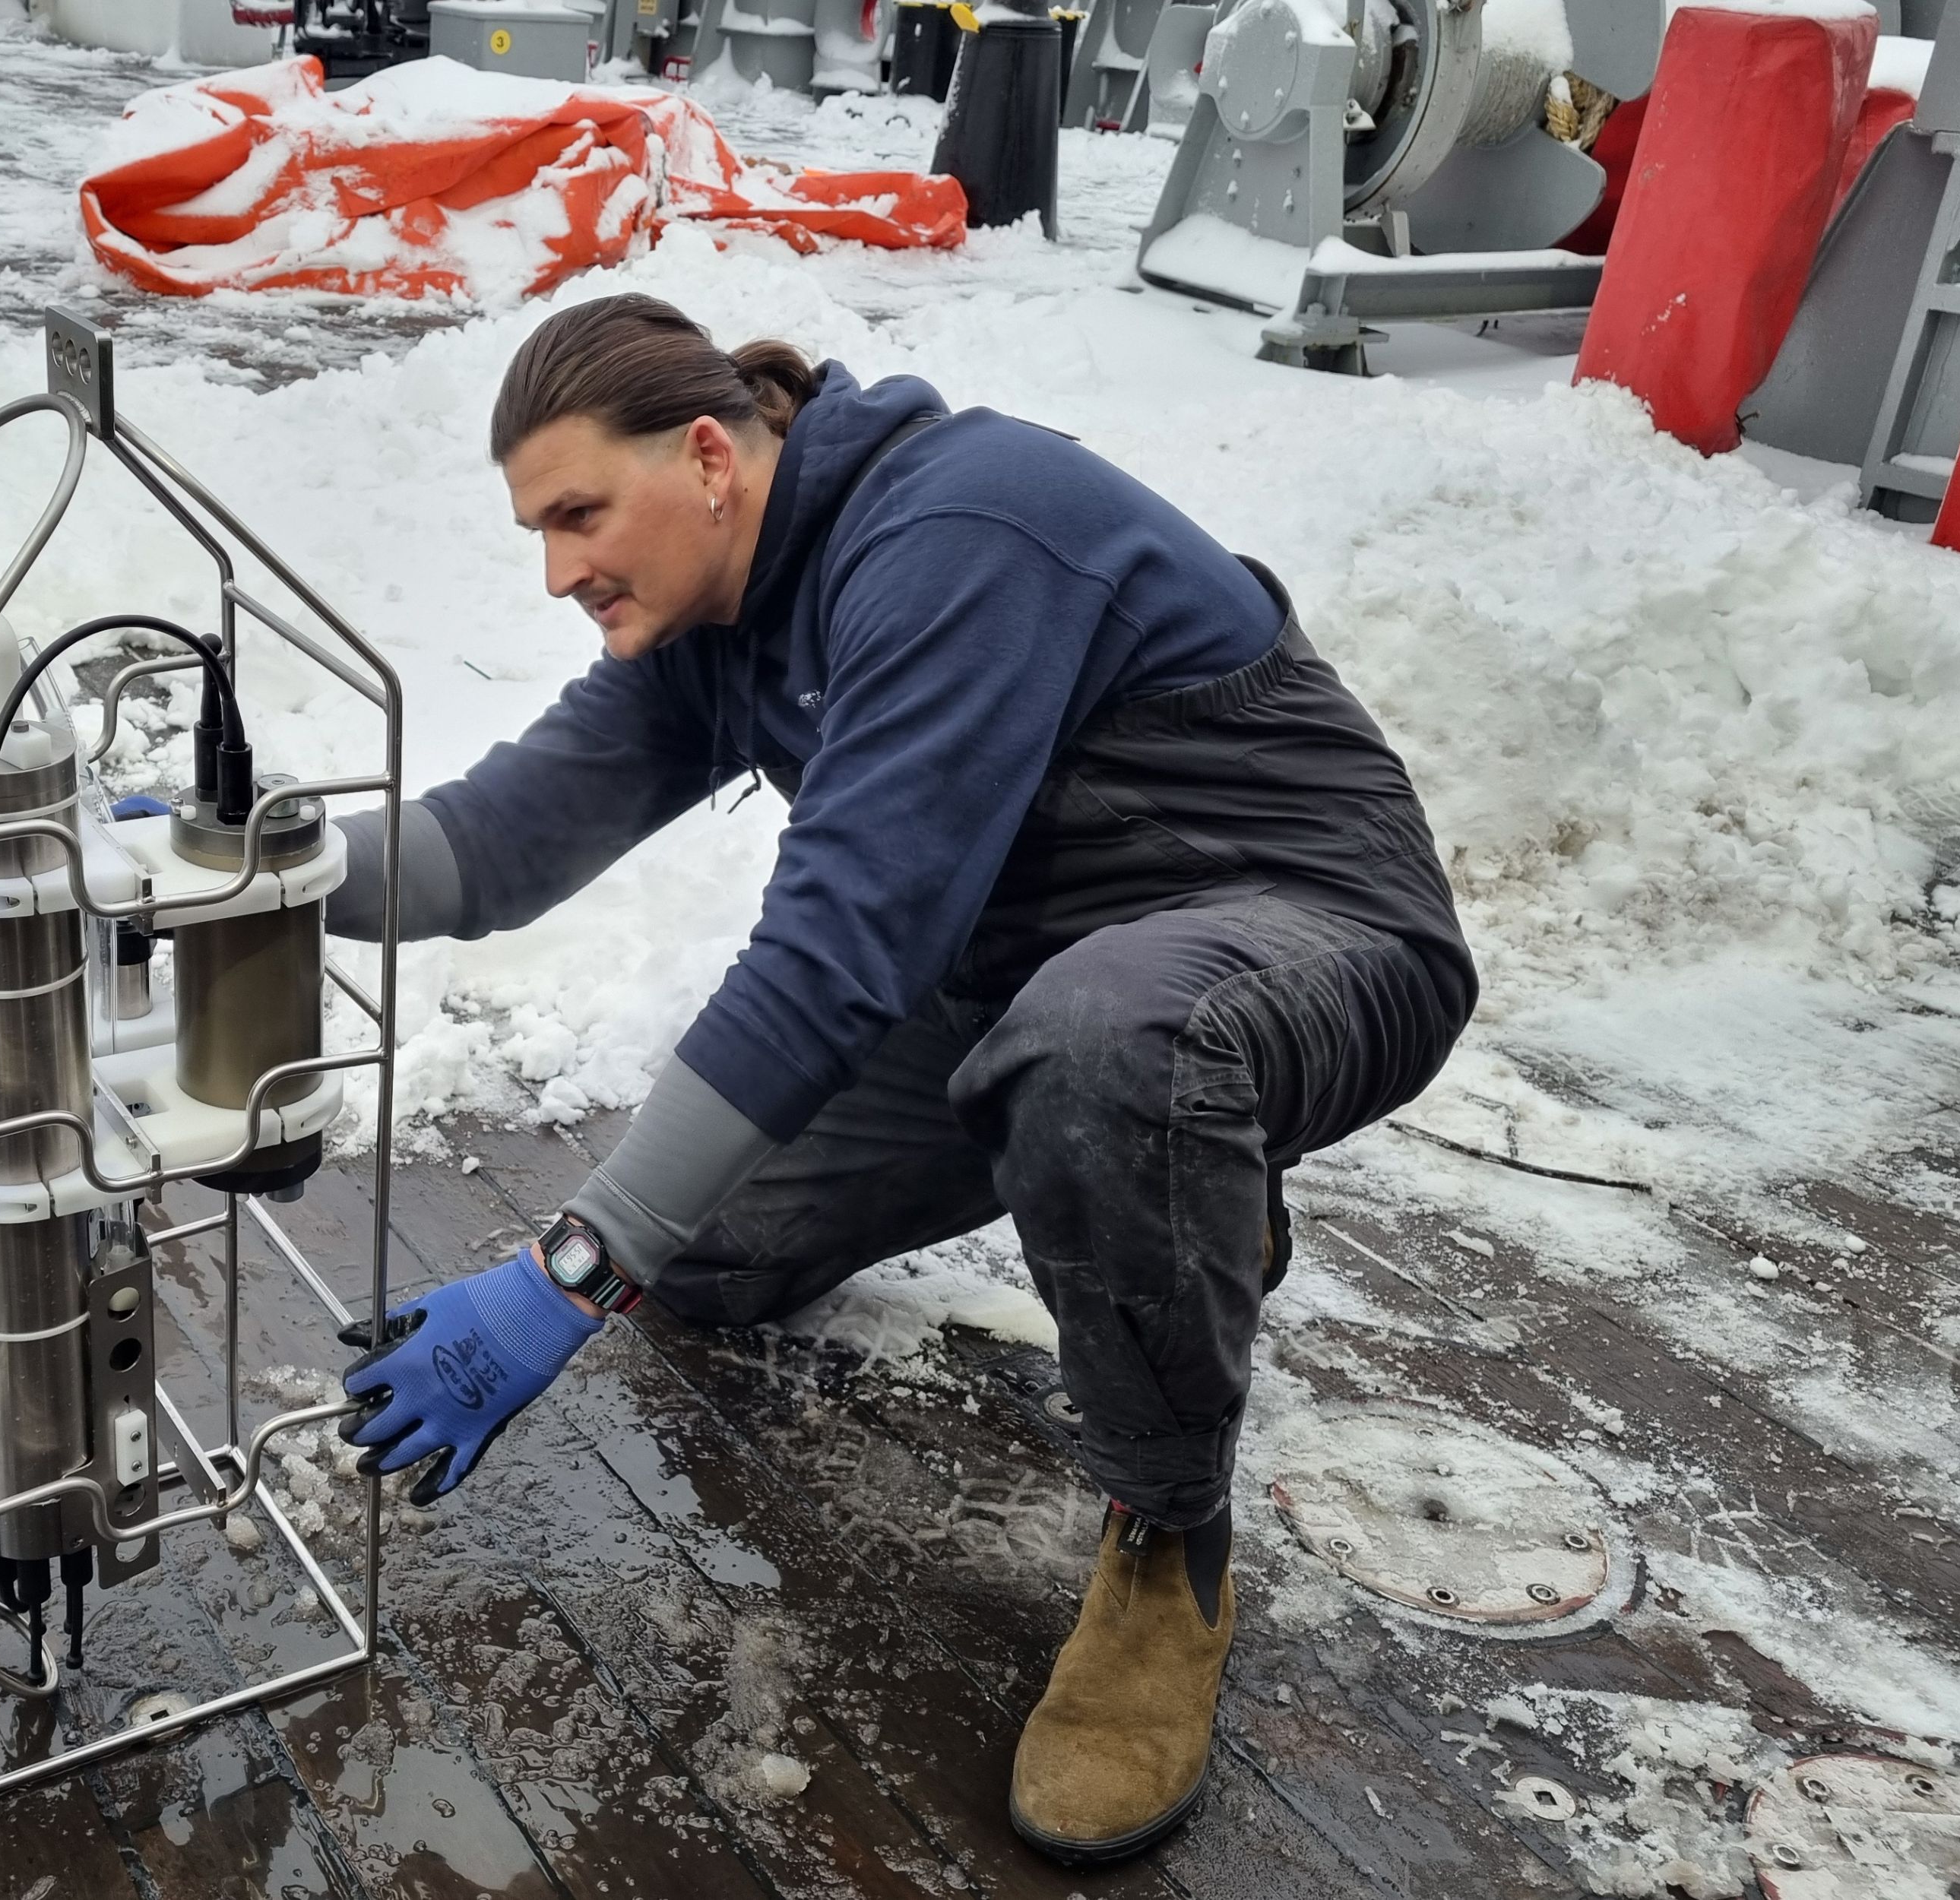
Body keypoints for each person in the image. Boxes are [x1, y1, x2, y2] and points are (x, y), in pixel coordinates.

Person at [324, 294, 1475, 1867]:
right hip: (1024, 984)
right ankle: (1168, 1188)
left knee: (1112, 1054)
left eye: (579, 514)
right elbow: (499, 842)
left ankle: (1168, 1539)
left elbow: (833, 959)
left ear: (709, 457)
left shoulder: (958, 532)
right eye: (538, 531)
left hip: (1310, 929)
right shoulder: (711, 613)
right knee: (712, 1254)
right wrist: (247, 867)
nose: (558, 570)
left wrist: (566, 1273)